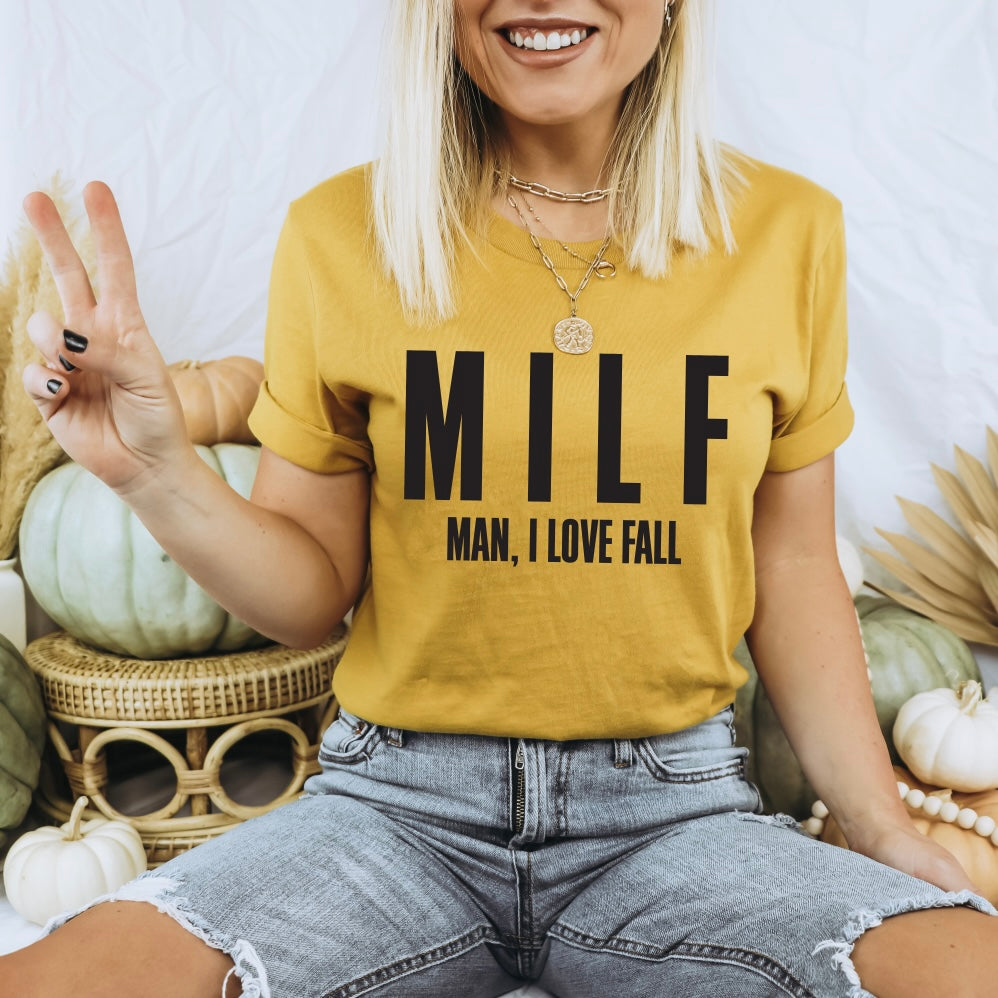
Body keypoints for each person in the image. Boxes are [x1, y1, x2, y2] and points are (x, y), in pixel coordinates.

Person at [4, 1, 997, 995]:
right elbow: (307, 595)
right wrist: (156, 474)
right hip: (391, 816)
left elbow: (792, 563)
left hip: (675, 820)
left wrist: (878, 824)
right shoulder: (340, 232)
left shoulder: (786, 230)